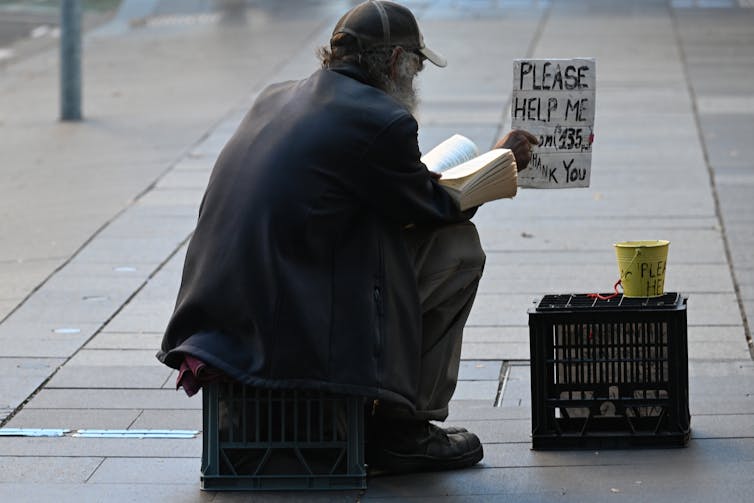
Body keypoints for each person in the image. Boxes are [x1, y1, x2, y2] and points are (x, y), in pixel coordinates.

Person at [157, 0, 538, 474]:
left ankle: (382, 420)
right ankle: (404, 430)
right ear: (397, 62)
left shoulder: (275, 97)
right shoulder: (380, 119)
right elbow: (435, 209)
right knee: (457, 249)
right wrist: (502, 160)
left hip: (217, 325)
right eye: (416, 69)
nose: (414, 84)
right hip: (285, 332)